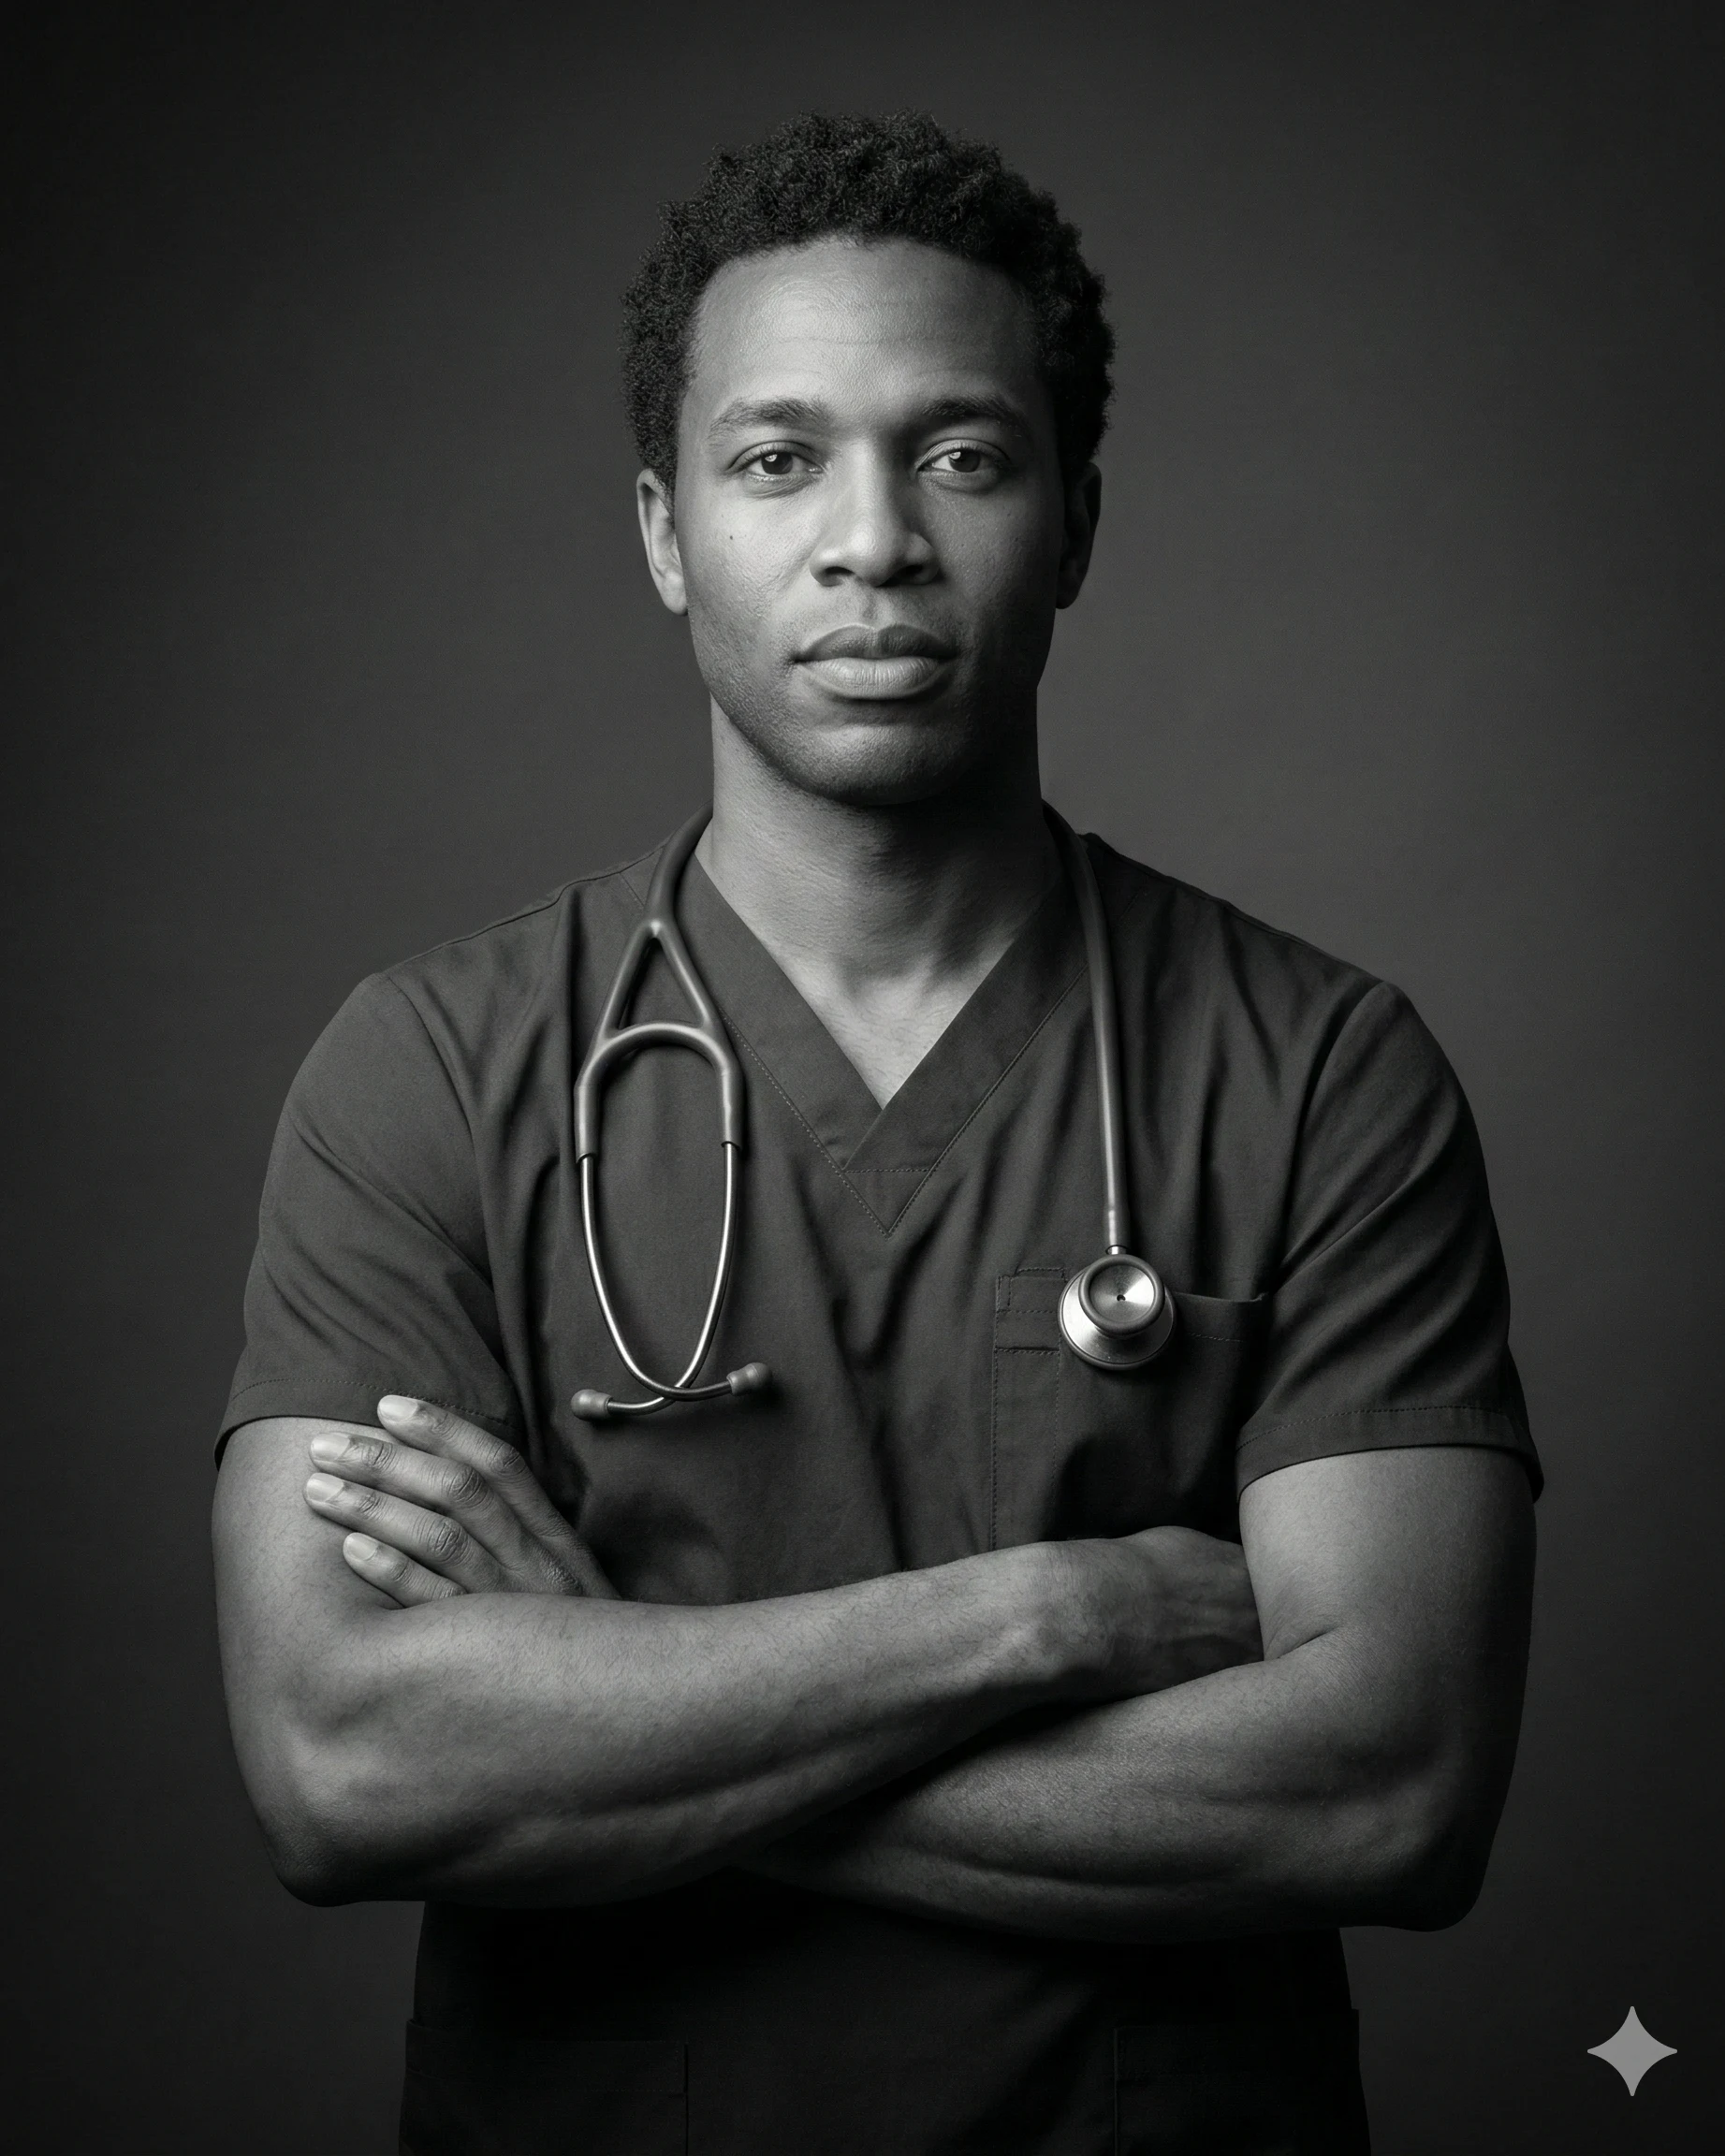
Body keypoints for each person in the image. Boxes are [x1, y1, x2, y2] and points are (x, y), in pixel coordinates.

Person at [212, 112, 1539, 2156]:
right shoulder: (430, 1070)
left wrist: (605, 1714)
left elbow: (1389, 1784)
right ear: (664, 533)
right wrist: (1054, 1619)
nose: (872, 541)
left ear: (1075, 518)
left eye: (962, 455)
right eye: (775, 459)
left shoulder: (1318, 1069)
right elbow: (341, 1769)